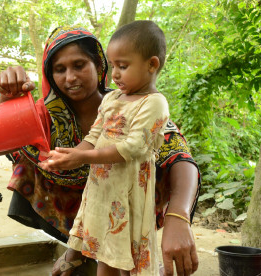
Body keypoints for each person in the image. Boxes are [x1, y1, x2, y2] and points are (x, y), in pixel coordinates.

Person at [0, 25, 200, 276]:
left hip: (129, 196)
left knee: (147, 160)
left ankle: (133, 253)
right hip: (86, 200)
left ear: (98, 66)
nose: (70, 77)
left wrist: (178, 217)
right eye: (60, 69)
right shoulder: (45, 114)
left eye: (79, 65)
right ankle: (79, 248)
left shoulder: (131, 103)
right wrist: (7, 102)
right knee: (30, 162)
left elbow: (179, 155)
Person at [39, 20, 170, 276]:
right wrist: (72, 155)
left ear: (152, 65)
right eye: (113, 67)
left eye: (123, 66)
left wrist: (85, 157)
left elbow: (133, 147)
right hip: (101, 189)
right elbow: (95, 134)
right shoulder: (112, 98)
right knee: (105, 254)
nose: (115, 75)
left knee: (128, 258)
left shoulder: (154, 103)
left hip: (129, 191)